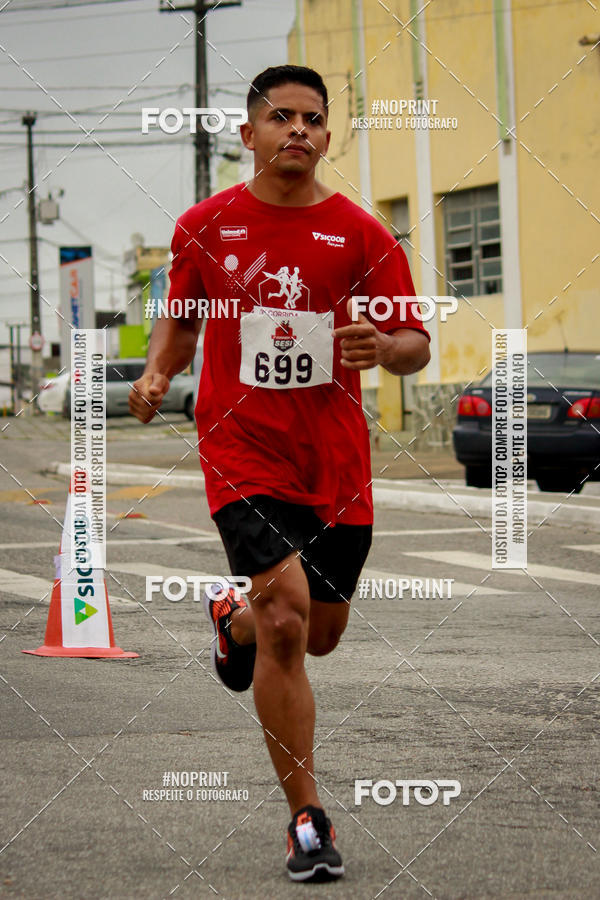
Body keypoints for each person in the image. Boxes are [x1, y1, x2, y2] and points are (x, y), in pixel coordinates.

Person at [129, 64, 430, 883]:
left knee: (320, 635)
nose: (298, 130)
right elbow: (179, 321)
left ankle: (233, 623)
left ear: (328, 136)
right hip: (241, 452)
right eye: (281, 117)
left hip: (335, 464)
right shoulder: (205, 227)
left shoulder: (363, 234)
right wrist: (159, 372)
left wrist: (386, 348)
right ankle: (307, 820)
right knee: (290, 616)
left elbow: (414, 343)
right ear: (250, 134)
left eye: (313, 120)